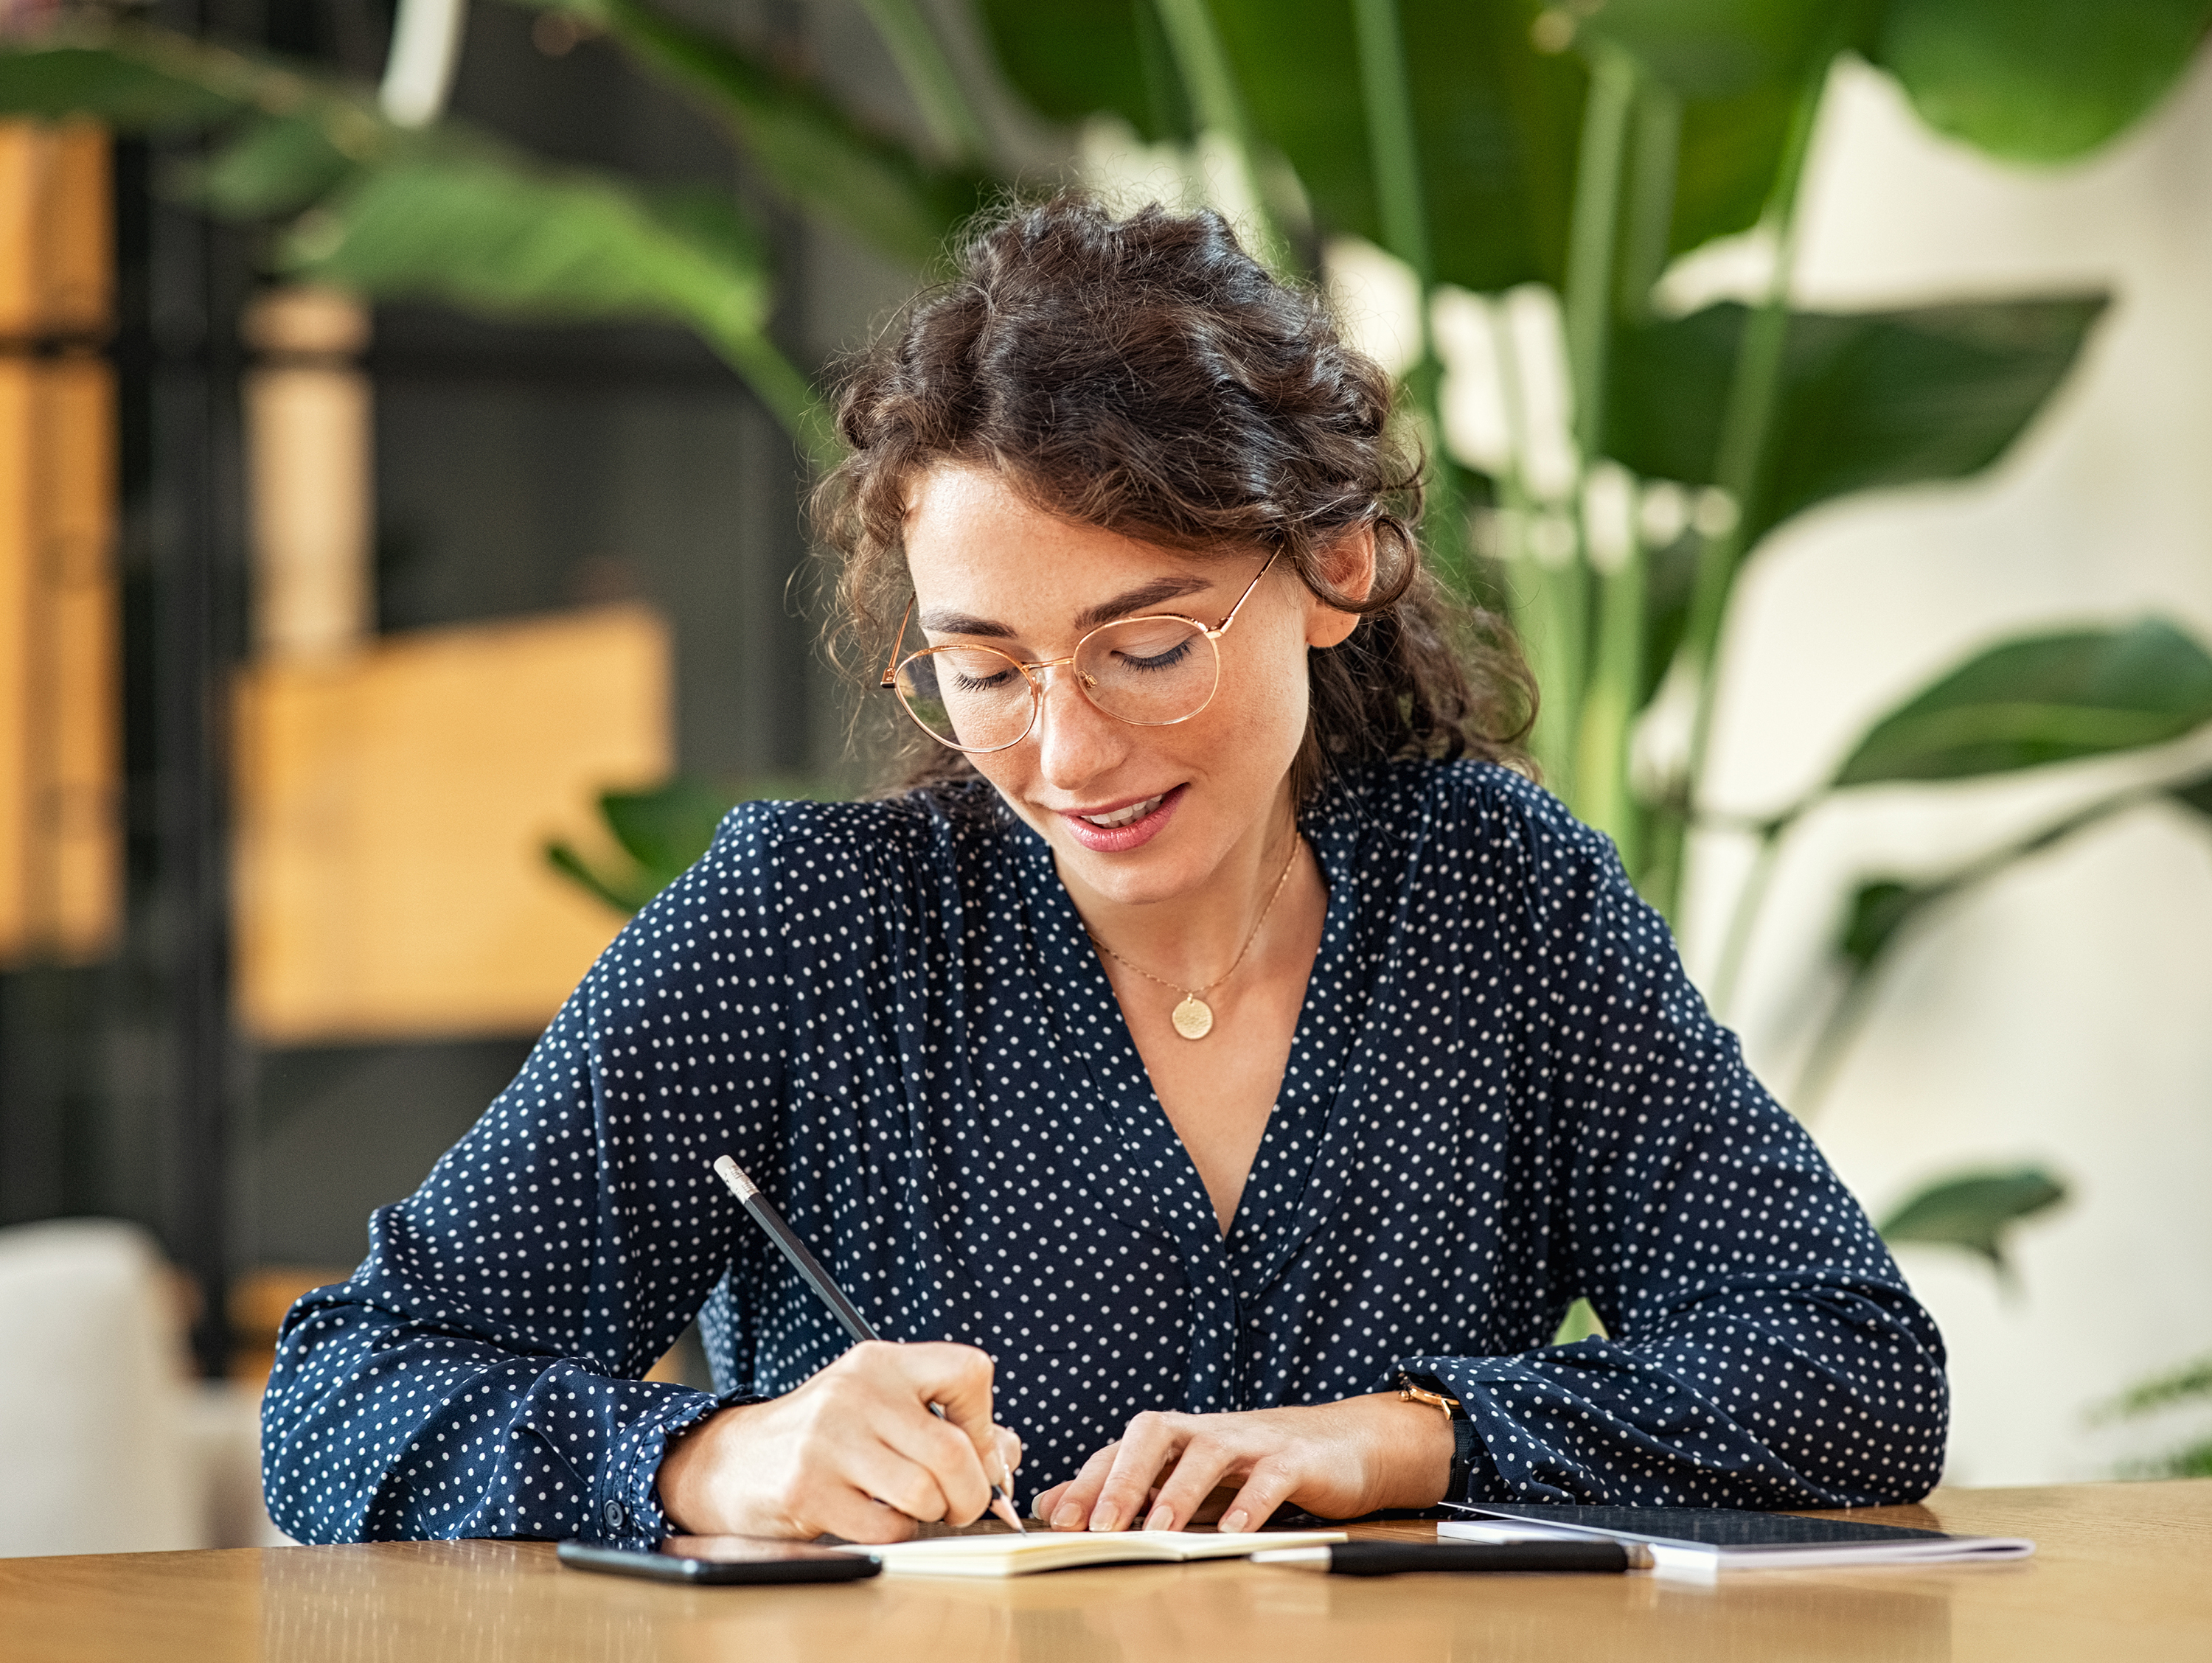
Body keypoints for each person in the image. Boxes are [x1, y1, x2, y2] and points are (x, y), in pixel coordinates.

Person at [262, 196, 1947, 1548]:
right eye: (988, 669)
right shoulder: (803, 928)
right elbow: (342, 1401)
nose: (1069, 756)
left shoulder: (1496, 902)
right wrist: (717, 1459)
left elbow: (1850, 1367)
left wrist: (1410, 1439)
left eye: (1146, 649)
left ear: (1334, 565)